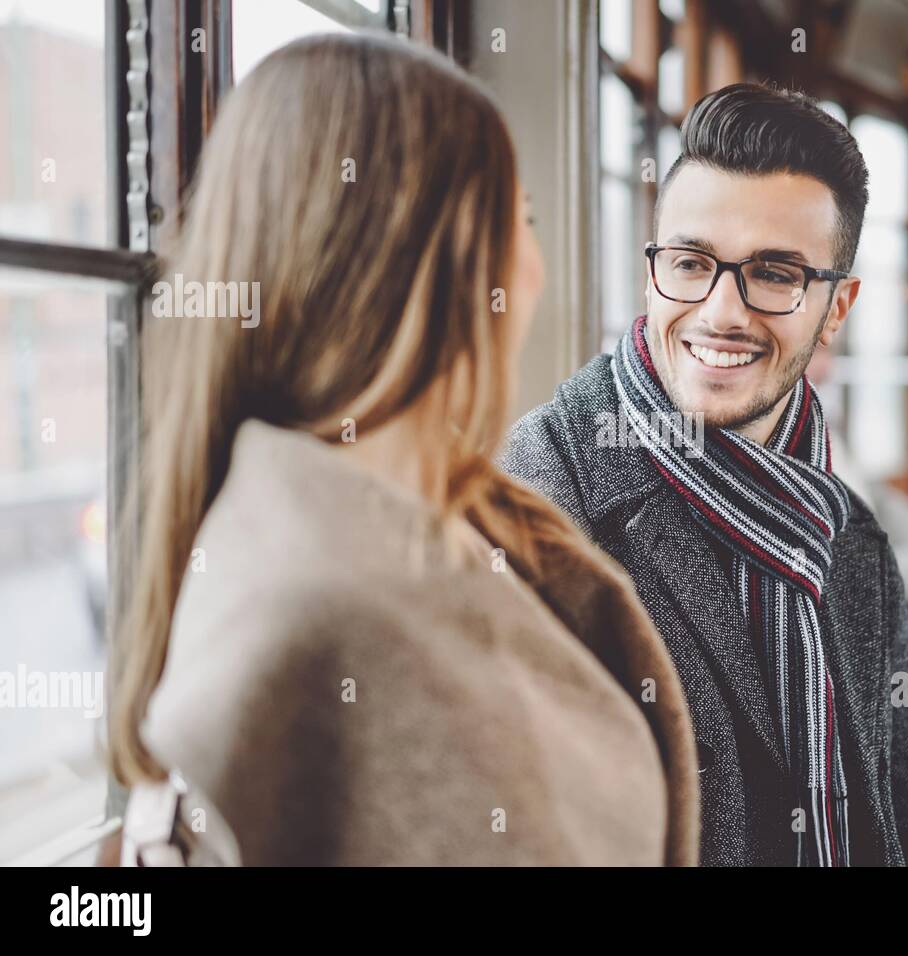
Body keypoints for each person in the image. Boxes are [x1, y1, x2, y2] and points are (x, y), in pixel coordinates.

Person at [107, 34, 699, 866]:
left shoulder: (467, 528)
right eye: (518, 218)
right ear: (445, 269)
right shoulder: (316, 617)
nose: (533, 269)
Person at [502, 83, 908, 866]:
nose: (721, 312)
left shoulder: (845, 531)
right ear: (653, 269)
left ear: (836, 310)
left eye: (773, 274)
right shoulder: (540, 503)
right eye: (692, 262)